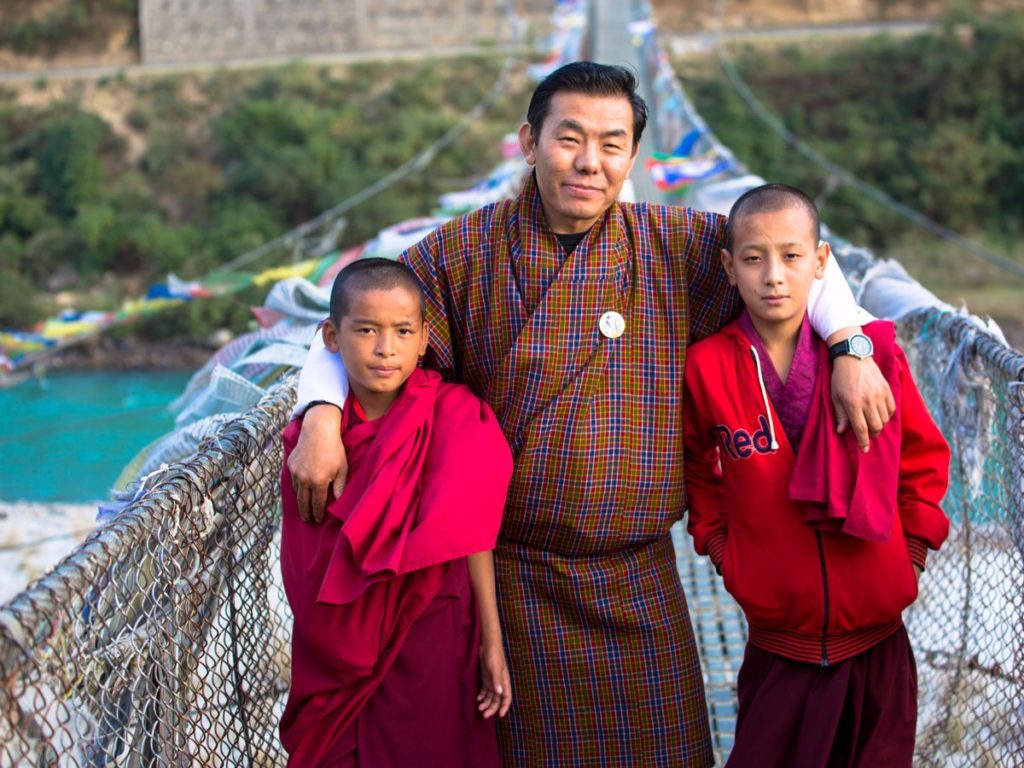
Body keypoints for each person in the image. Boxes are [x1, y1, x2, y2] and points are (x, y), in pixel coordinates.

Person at [289, 62, 895, 766]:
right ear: (527, 141)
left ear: (634, 157)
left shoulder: (680, 247)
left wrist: (850, 344)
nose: (588, 161)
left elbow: (790, 256)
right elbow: (360, 317)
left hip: (639, 580)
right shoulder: (459, 256)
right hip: (515, 588)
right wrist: (320, 412)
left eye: (611, 144)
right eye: (569, 137)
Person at [683, 184, 950, 767]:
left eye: (792, 256)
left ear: (822, 262)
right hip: (778, 644)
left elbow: (922, 459)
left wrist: (909, 555)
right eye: (753, 259)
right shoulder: (707, 366)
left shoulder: (872, 356)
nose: (773, 276)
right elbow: (699, 473)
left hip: (877, 639)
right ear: (729, 269)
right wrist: (725, 550)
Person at [278, 258, 514, 767]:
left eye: (403, 331)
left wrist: (492, 643)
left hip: (435, 633)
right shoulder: (311, 445)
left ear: (425, 338)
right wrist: (321, 421)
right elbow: (304, 567)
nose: (386, 349)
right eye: (366, 330)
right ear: (332, 337)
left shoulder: (454, 413)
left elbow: (473, 538)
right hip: (338, 656)